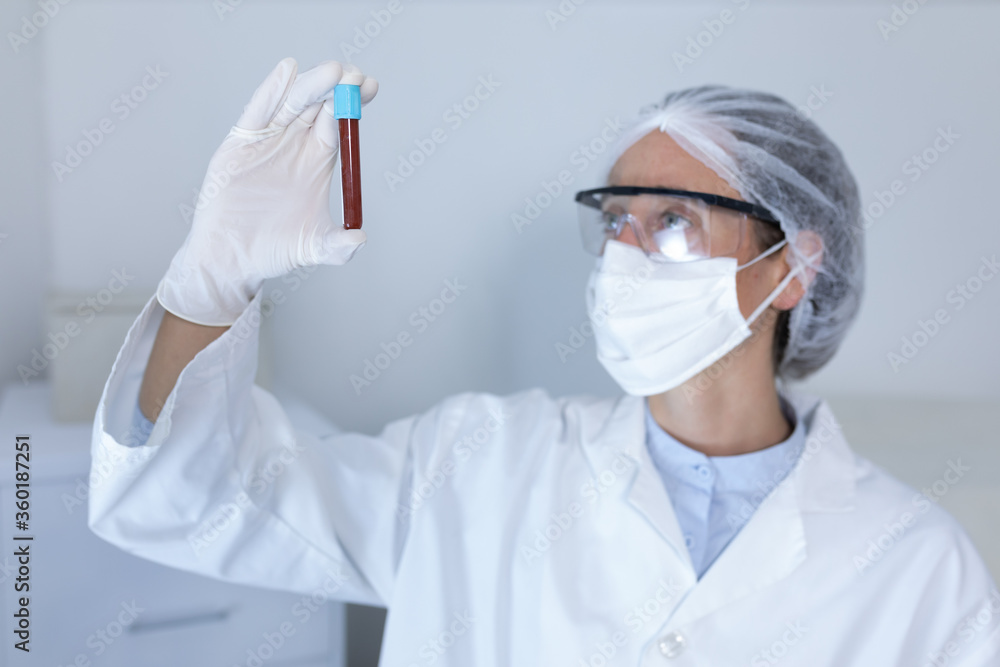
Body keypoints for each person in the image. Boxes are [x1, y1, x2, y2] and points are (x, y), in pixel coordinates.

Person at [89, 58, 1000, 666]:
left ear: (793, 267)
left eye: (673, 222)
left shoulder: (919, 569)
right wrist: (210, 285)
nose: (626, 256)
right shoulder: (476, 467)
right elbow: (190, 499)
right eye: (616, 221)